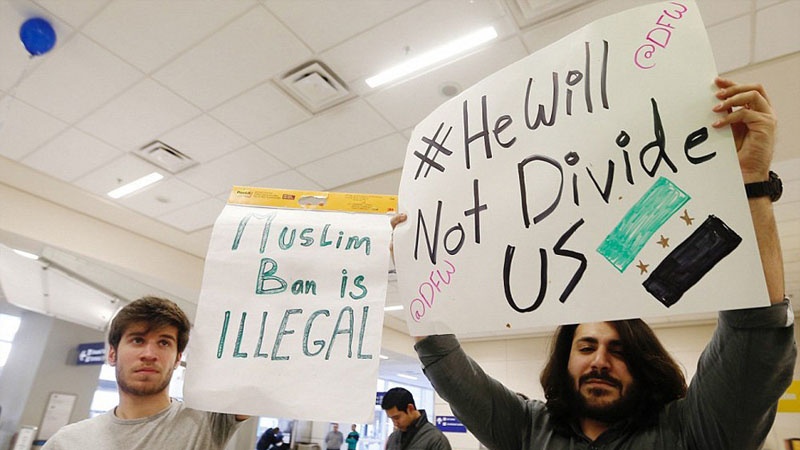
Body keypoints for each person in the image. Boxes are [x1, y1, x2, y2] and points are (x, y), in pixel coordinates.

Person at [395, 78, 796, 449]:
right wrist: (414, 267)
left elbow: (756, 332)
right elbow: (449, 367)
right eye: (586, 346)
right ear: (565, 359)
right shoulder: (528, 429)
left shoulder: (691, 431)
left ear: (643, 364)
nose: (600, 361)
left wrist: (751, 181)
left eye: (619, 351)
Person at [42, 296, 249, 449]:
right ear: (112, 354)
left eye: (164, 343)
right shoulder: (66, 443)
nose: (149, 354)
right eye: (137, 340)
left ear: (178, 359)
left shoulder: (207, 421)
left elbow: (258, 372)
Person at [380, 387, 451, 450]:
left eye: (397, 417)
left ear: (410, 408)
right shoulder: (393, 439)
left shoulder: (436, 440)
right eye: (391, 419)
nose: (395, 423)